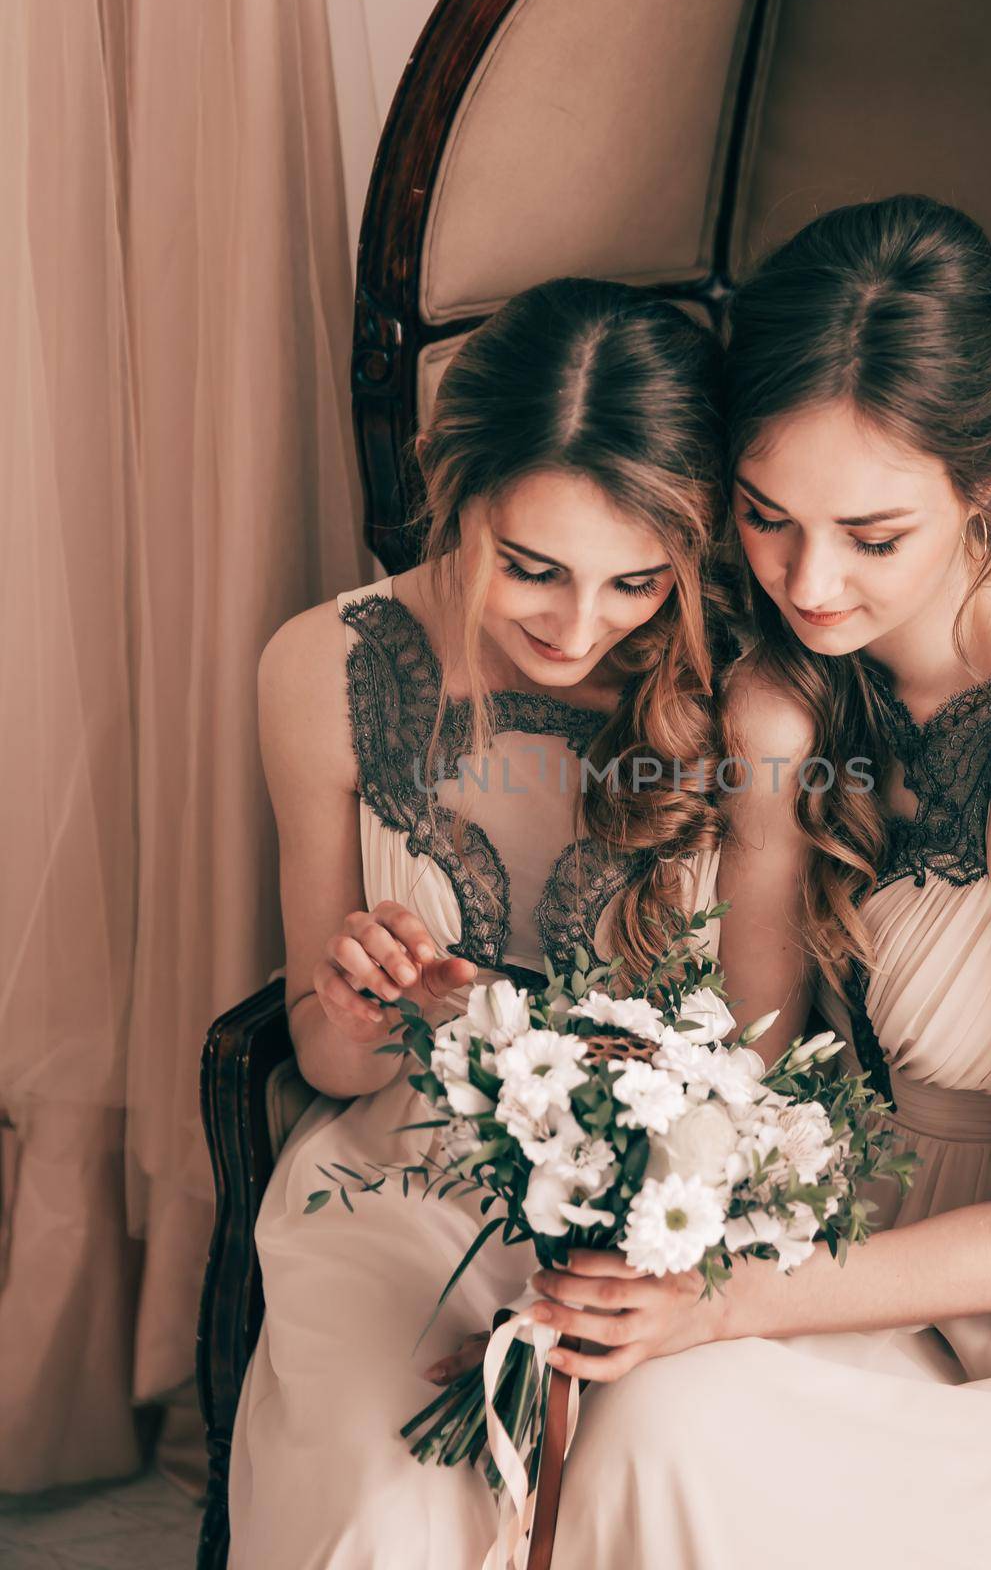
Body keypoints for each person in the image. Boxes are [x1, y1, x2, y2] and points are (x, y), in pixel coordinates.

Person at [531, 197, 991, 1570]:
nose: (812, 583)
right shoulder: (811, 659)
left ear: (983, 485)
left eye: (875, 537)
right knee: (629, 1412)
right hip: (870, 1239)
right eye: (767, 519)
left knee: (695, 1439)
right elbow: (766, 1049)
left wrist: (729, 1303)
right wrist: (764, 778)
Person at [225, 277, 788, 1568]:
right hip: (397, 1177)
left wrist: (623, 1250)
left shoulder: (748, 697)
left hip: (672, 1203)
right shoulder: (323, 667)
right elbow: (331, 1063)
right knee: (398, 1514)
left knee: (644, 1497)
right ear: (451, 487)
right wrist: (371, 996)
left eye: (637, 582)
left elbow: (757, 1064)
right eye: (531, 568)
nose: (576, 628)